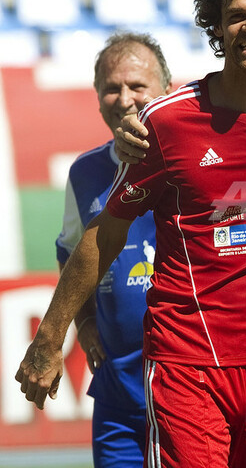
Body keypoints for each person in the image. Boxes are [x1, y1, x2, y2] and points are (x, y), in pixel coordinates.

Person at [16, 0, 246, 468]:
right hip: (188, 360)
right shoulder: (167, 124)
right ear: (216, 26)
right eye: (236, 15)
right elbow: (106, 232)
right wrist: (50, 338)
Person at [56, 32, 171, 467]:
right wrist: (83, 320)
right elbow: (69, 251)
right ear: (97, 97)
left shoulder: (198, 163)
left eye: (138, 86)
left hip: (191, 390)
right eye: (111, 87)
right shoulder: (84, 172)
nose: (124, 99)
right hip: (116, 400)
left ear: (168, 90)